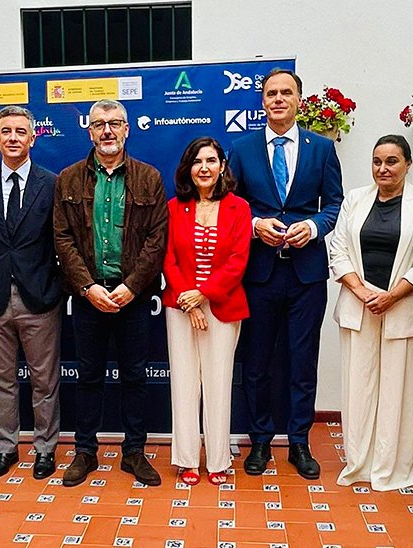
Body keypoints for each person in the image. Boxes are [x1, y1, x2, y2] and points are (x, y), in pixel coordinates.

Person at [228, 68, 344, 478]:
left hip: (306, 275)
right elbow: (229, 205)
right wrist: (255, 224)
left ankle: (298, 442)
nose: (278, 99)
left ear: (299, 99)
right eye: (271, 93)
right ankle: (259, 442)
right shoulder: (240, 149)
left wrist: (312, 227)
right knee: (256, 363)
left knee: (301, 361)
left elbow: (334, 204)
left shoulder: (321, 149)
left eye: (286, 93)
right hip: (257, 275)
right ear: (263, 101)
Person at [53, 99, 168, 487]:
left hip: (132, 299)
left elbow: (157, 239)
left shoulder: (149, 177)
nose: (107, 130)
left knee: (135, 377)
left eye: (115, 123)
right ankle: (85, 451)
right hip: (88, 298)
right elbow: (62, 238)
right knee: (88, 377)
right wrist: (87, 287)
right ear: (89, 130)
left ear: (127, 129)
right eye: (100, 124)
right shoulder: (68, 179)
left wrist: (131, 286)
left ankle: (134, 452)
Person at [0, 106, 64, 481]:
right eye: (6, 131)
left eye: (21, 131)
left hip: (39, 298)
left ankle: (45, 450)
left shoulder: (51, 184)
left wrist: (59, 290)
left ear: (33, 138)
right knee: (0, 380)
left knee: (44, 380)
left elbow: (63, 242)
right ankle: (5, 448)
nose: (13, 137)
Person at [328, 135, 413, 491]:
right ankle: (359, 464)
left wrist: (393, 295)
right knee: (359, 389)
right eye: (377, 161)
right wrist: (360, 291)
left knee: (400, 391)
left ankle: (392, 468)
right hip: (359, 307)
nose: (383, 169)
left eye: (391, 161)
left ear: (408, 163)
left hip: (404, 306)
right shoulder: (355, 199)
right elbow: (338, 249)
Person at [163, 137, 251, 486]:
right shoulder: (173, 207)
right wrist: (188, 299)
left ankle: (218, 460)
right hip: (180, 306)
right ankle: (186, 459)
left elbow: (237, 261)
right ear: (188, 168)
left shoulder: (239, 208)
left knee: (218, 384)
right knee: (184, 383)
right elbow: (166, 257)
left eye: (212, 161)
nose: (204, 168)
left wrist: (203, 296)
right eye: (198, 161)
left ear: (222, 167)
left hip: (223, 306)